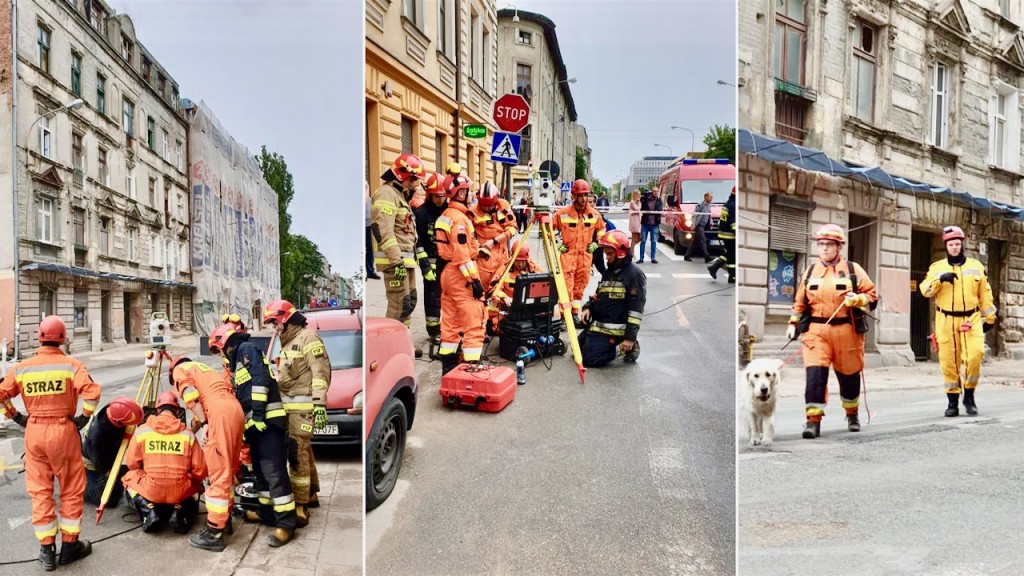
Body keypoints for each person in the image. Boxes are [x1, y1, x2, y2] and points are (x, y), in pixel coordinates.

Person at [0, 316, 100, 570]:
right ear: (63, 338)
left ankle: (46, 551)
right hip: (63, 430)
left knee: (40, 491)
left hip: (34, 432)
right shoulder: (72, 365)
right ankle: (70, 546)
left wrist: (15, 416)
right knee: (70, 489)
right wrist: (82, 419)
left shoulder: (22, 368)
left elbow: (1, 394)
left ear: (40, 337)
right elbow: (92, 394)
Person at [209, 321, 298, 546]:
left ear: (225, 344)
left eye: (220, 351)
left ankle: (286, 524)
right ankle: (268, 514)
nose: (221, 356)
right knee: (260, 472)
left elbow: (260, 381)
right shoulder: (237, 361)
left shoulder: (246, 350)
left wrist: (257, 414)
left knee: (274, 472)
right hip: (256, 426)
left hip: (268, 421)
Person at [786, 224, 878, 439]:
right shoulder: (810, 271)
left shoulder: (853, 270)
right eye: (821, 244)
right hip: (816, 332)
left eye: (829, 245)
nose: (824, 249)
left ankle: (852, 414)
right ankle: (813, 421)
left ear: (839, 247)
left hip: (847, 331)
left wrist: (858, 299)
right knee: (815, 377)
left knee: (849, 377)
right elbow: (800, 303)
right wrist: (792, 325)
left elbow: (872, 295)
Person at [263, 299, 330, 524]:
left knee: (297, 453)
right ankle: (311, 494)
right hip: (291, 410)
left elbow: (320, 373)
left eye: (275, 322)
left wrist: (320, 405)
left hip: (303, 412)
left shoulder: (308, 339)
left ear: (284, 318)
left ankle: (300, 506)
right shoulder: (289, 341)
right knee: (304, 450)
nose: (274, 328)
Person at [167, 357, 244, 551]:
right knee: (229, 470)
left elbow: (190, 396)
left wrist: (205, 423)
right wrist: (196, 427)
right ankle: (224, 520)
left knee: (218, 473)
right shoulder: (204, 370)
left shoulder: (180, 370)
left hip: (218, 414)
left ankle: (213, 532)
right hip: (235, 411)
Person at [919, 225, 996, 417]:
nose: (954, 247)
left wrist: (990, 317)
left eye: (957, 244)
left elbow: (985, 293)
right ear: (946, 246)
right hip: (945, 319)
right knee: (949, 362)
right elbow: (925, 290)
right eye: (951, 244)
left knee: (975, 356)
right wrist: (939, 280)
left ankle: (969, 395)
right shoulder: (937, 268)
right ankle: (952, 401)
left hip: (971, 317)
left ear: (962, 245)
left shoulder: (976, 267)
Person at [121, 392, 207, 535]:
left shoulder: (142, 431)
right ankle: (180, 511)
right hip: (179, 492)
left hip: (151, 490)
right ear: (177, 411)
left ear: (158, 410)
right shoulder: (188, 434)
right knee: (198, 484)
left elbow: (132, 464)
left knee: (129, 477)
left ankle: (148, 511)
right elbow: (201, 470)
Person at [435, 174, 486, 374]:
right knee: (473, 321)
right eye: (469, 190)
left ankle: (448, 369)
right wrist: (475, 282)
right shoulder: (460, 219)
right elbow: (462, 255)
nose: (472, 194)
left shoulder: (445, 215)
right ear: (461, 193)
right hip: (460, 275)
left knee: (450, 322)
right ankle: (472, 368)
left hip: (448, 273)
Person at [579, 230, 646, 367]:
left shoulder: (634, 275)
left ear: (620, 254)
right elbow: (598, 295)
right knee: (577, 350)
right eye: (606, 254)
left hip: (615, 331)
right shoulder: (610, 272)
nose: (606, 258)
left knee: (590, 359)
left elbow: (636, 311)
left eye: (610, 254)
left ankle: (626, 348)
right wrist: (588, 307)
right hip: (599, 326)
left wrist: (630, 338)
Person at [371, 153, 424, 326]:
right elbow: (383, 230)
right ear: (402, 174)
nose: (414, 183)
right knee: (398, 306)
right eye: (412, 179)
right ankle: (389, 346)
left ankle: (402, 341)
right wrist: (396, 261)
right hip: (395, 262)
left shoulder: (399, 194)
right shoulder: (386, 195)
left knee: (408, 303)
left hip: (405, 262)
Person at [553, 179, 607, 322]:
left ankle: (574, 314)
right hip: (568, 255)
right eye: (581, 195)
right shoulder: (563, 214)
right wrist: (558, 243)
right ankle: (565, 317)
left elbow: (602, 229)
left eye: (586, 195)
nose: (584, 199)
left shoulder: (594, 214)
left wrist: (597, 243)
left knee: (580, 287)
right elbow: (547, 229)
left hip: (585, 257)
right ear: (574, 196)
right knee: (566, 287)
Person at [82, 397, 144, 509]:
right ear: (118, 422)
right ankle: (81, 487)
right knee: (109, 500)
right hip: (93, 466)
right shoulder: (99, 438)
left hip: (106, 453)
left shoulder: (113, 409)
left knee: (135, 471)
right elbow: (102, 466)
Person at [413, 173, 448, 348]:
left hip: (448, 262)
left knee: (450, 297)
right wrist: (425, 266)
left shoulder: (450, 211)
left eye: (442, 196)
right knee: (433, 297)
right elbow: (418, 242)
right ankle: (434, 331)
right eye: (437, 196)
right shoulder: (421, 213)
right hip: (431, 261)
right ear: (430, 195)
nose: (440, 200)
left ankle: (450, 328)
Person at [486, 238, 541, 333]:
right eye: (518, 260)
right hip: (508, 305)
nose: (520, 264)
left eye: (523, 261)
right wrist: (504, 297)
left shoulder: (534, 268)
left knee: (552, 316)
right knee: (501, 326)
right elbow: (493, 289)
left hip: (528, 305)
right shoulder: (504, 269)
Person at [470, 181, 518, 290]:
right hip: (484, 260)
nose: (486, 208)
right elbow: (468, 233)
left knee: (501, 290)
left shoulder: (503, 205)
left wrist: (494, 241)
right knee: (484, 291)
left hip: (502, 257)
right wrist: (477, 246)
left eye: (489, 205)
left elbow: (513, 228)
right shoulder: (473, 211)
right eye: (483, 205)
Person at [708, 186, 736, 282]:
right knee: (732, 256)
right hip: (729, 234)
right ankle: (732, 276)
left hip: (724, 233)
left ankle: (714, 267)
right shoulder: (733, 205)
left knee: (730, 252)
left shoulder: (728, 203)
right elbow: (733, 223)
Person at [685, 192, 714, 263]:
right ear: (706, 197)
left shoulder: (709, 206)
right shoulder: (700, 205)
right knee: (703, 240)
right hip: (699, 225)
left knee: (695, 242)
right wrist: (693, 224)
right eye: (710, 197)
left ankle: (687, 256)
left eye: (712, 197)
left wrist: (711, 222)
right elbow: (695, 215)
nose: (711, 198)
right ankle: (707, 257)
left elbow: (709, 215)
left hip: (704, 226)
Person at [638, 187, 663, 264]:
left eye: (657, 191)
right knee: (643, 241)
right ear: (651, 192)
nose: (656, 193)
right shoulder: (646, 199)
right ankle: (641, 258)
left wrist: (654, 212)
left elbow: (659, 210)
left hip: (654, 224)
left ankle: (653, 258)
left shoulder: (659, 201)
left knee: (654, 241)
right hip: (645, 223)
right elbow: (641, 207)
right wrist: (643, 198)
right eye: (654, 191)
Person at [365, 182, 380, 280]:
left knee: (370, 249)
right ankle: (364, 273)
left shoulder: (370, 201)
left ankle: (370, 271)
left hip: (369, 226)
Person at [628, 190, 642, 258]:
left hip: (638, 222)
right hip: (634, 222)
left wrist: (639, 202)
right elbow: (637, 208)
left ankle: (630, 249)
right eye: (638, 194)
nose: (639, 196)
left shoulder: (638, 202)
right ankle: (632, 253)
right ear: (635, 195)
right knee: (634, 238)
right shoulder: (632, 202)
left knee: (640, 238)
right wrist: (638, 202)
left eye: (640, 194)